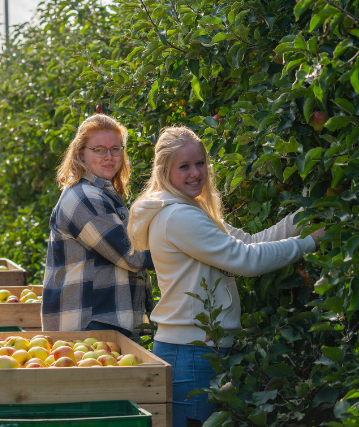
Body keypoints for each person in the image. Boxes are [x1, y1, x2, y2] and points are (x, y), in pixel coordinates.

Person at [128, 125, 323, 427]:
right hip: (192, 351)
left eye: (200, 163)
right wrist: (310, 241)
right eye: (184, 166)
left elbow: (250, 242)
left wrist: (307, 214)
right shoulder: (179, 217)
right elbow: (245, 260)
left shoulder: (188, 210)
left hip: (198, 348)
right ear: (165, 170)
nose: (196, 173)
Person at [41, 114, 154, 338]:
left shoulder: (100, 194)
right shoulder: (84, 198)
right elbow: (131, 256)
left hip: (101, 320)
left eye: (115, 149)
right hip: (90, 324)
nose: (109, 157)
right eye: (99, 150)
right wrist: (185, 243)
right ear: (81, 152)